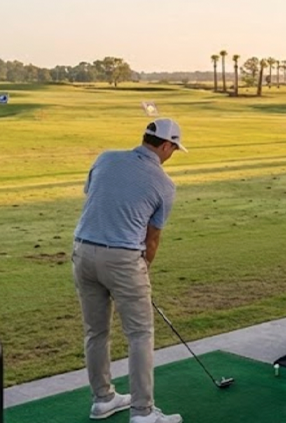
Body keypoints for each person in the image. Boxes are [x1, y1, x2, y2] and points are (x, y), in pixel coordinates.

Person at [72, 119, 186, 423]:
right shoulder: (164, 184)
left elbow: (97, 197)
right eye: (173, 148)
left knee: (95, 331)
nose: (172, 154)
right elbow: (152, 239)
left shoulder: (106, 157)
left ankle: (103, 399)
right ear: (165, 145)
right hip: (123, 259)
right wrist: (141, 271)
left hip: (82, 252)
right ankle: (142, 412)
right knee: (140, 335)